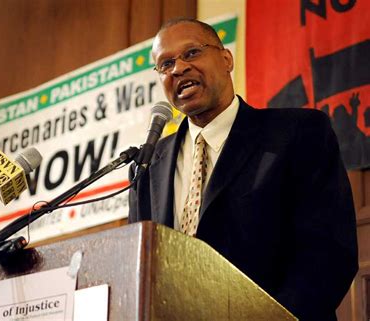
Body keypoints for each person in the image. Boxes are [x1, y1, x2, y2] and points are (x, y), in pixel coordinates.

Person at [128, 18, 358, 321]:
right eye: (165, 63)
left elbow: (328, 250)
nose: (178, 68)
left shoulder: (299, 133)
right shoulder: (146, 165)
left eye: (192, 53)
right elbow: (141, 270)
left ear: (226, 60)